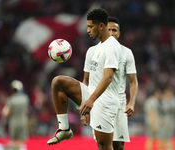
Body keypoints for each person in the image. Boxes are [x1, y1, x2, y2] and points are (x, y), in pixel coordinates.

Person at [47, 8, 123, 150]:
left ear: (101, 26)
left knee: (104, 146)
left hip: (105, 101)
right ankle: (64, 129)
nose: (87, 30)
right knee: (58, 82)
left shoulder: (112, 47)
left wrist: (91, 100)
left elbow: (108, 77)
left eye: (90, 26)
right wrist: (83, 110)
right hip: (91, 96)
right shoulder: (92, 50)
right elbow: (87, 80)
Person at [81, 16, 138, 150]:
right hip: (98, 103)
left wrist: (132, 102)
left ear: (119, 33)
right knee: (102, 144)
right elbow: (86, 80)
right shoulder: (92, 52)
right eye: (109, 29)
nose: (111, 33)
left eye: (115, 30)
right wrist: (83, 107)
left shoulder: (126, 53)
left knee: (118, 145)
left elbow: (133, 81)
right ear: (103, 29)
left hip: (119, 104)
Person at [2, 80, 29, 150]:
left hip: (13, 123)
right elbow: (27, 110)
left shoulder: (10, 100)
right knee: (22, 141)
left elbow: (7, 113)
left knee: (13, 141)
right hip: (23, 122)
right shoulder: (25, 99)